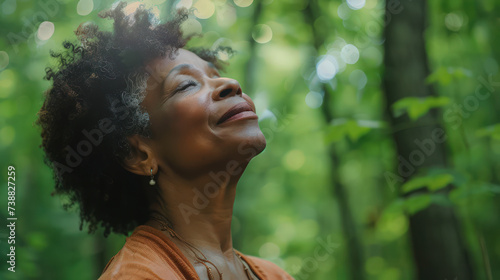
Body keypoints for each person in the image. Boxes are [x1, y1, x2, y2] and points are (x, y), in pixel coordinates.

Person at [37, 2, 293, 280]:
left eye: (215, 75)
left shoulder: (274, 275)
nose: (230, 84)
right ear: (139, 154)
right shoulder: (138, 275)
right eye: (186, 85)